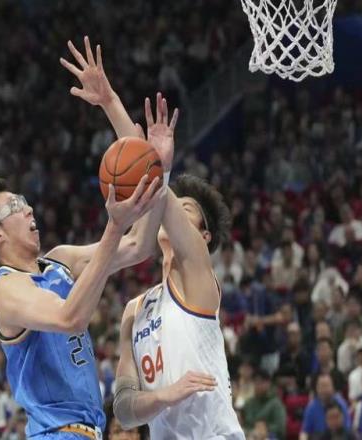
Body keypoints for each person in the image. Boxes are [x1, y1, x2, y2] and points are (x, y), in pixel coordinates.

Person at [0, 37, 213, 440]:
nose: (29, 209)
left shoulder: (60, 261)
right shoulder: (5, 292)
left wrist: (152, 163)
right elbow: (69, 318)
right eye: (15, 207)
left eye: (25, 200)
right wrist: (113, 226)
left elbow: (139, 245)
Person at [62, 37, 242, 439]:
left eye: (186, 210)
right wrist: (165, 396)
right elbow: (125, 411)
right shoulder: (134, 310)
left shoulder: (198, 277)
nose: (174, 211)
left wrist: (115, 109)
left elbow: (152, 181)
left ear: (203, 234)